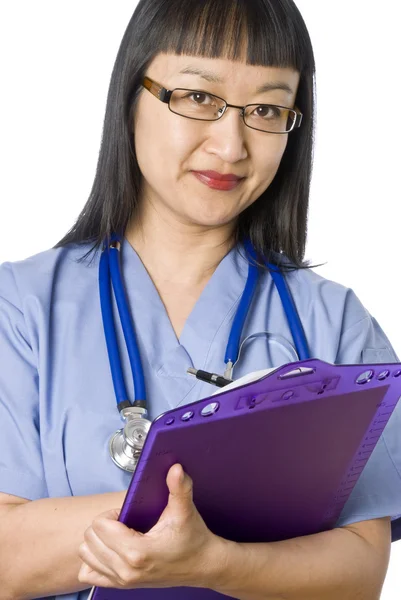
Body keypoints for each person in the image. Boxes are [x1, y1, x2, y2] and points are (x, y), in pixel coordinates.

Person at [0, 0, 400, 598]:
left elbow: (360, 574)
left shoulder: (334, 321)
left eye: (266, 108)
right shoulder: (22, 307)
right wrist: (190, 516)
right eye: (197, 98)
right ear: (131, 95)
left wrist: (212, 560)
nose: (231, 144)